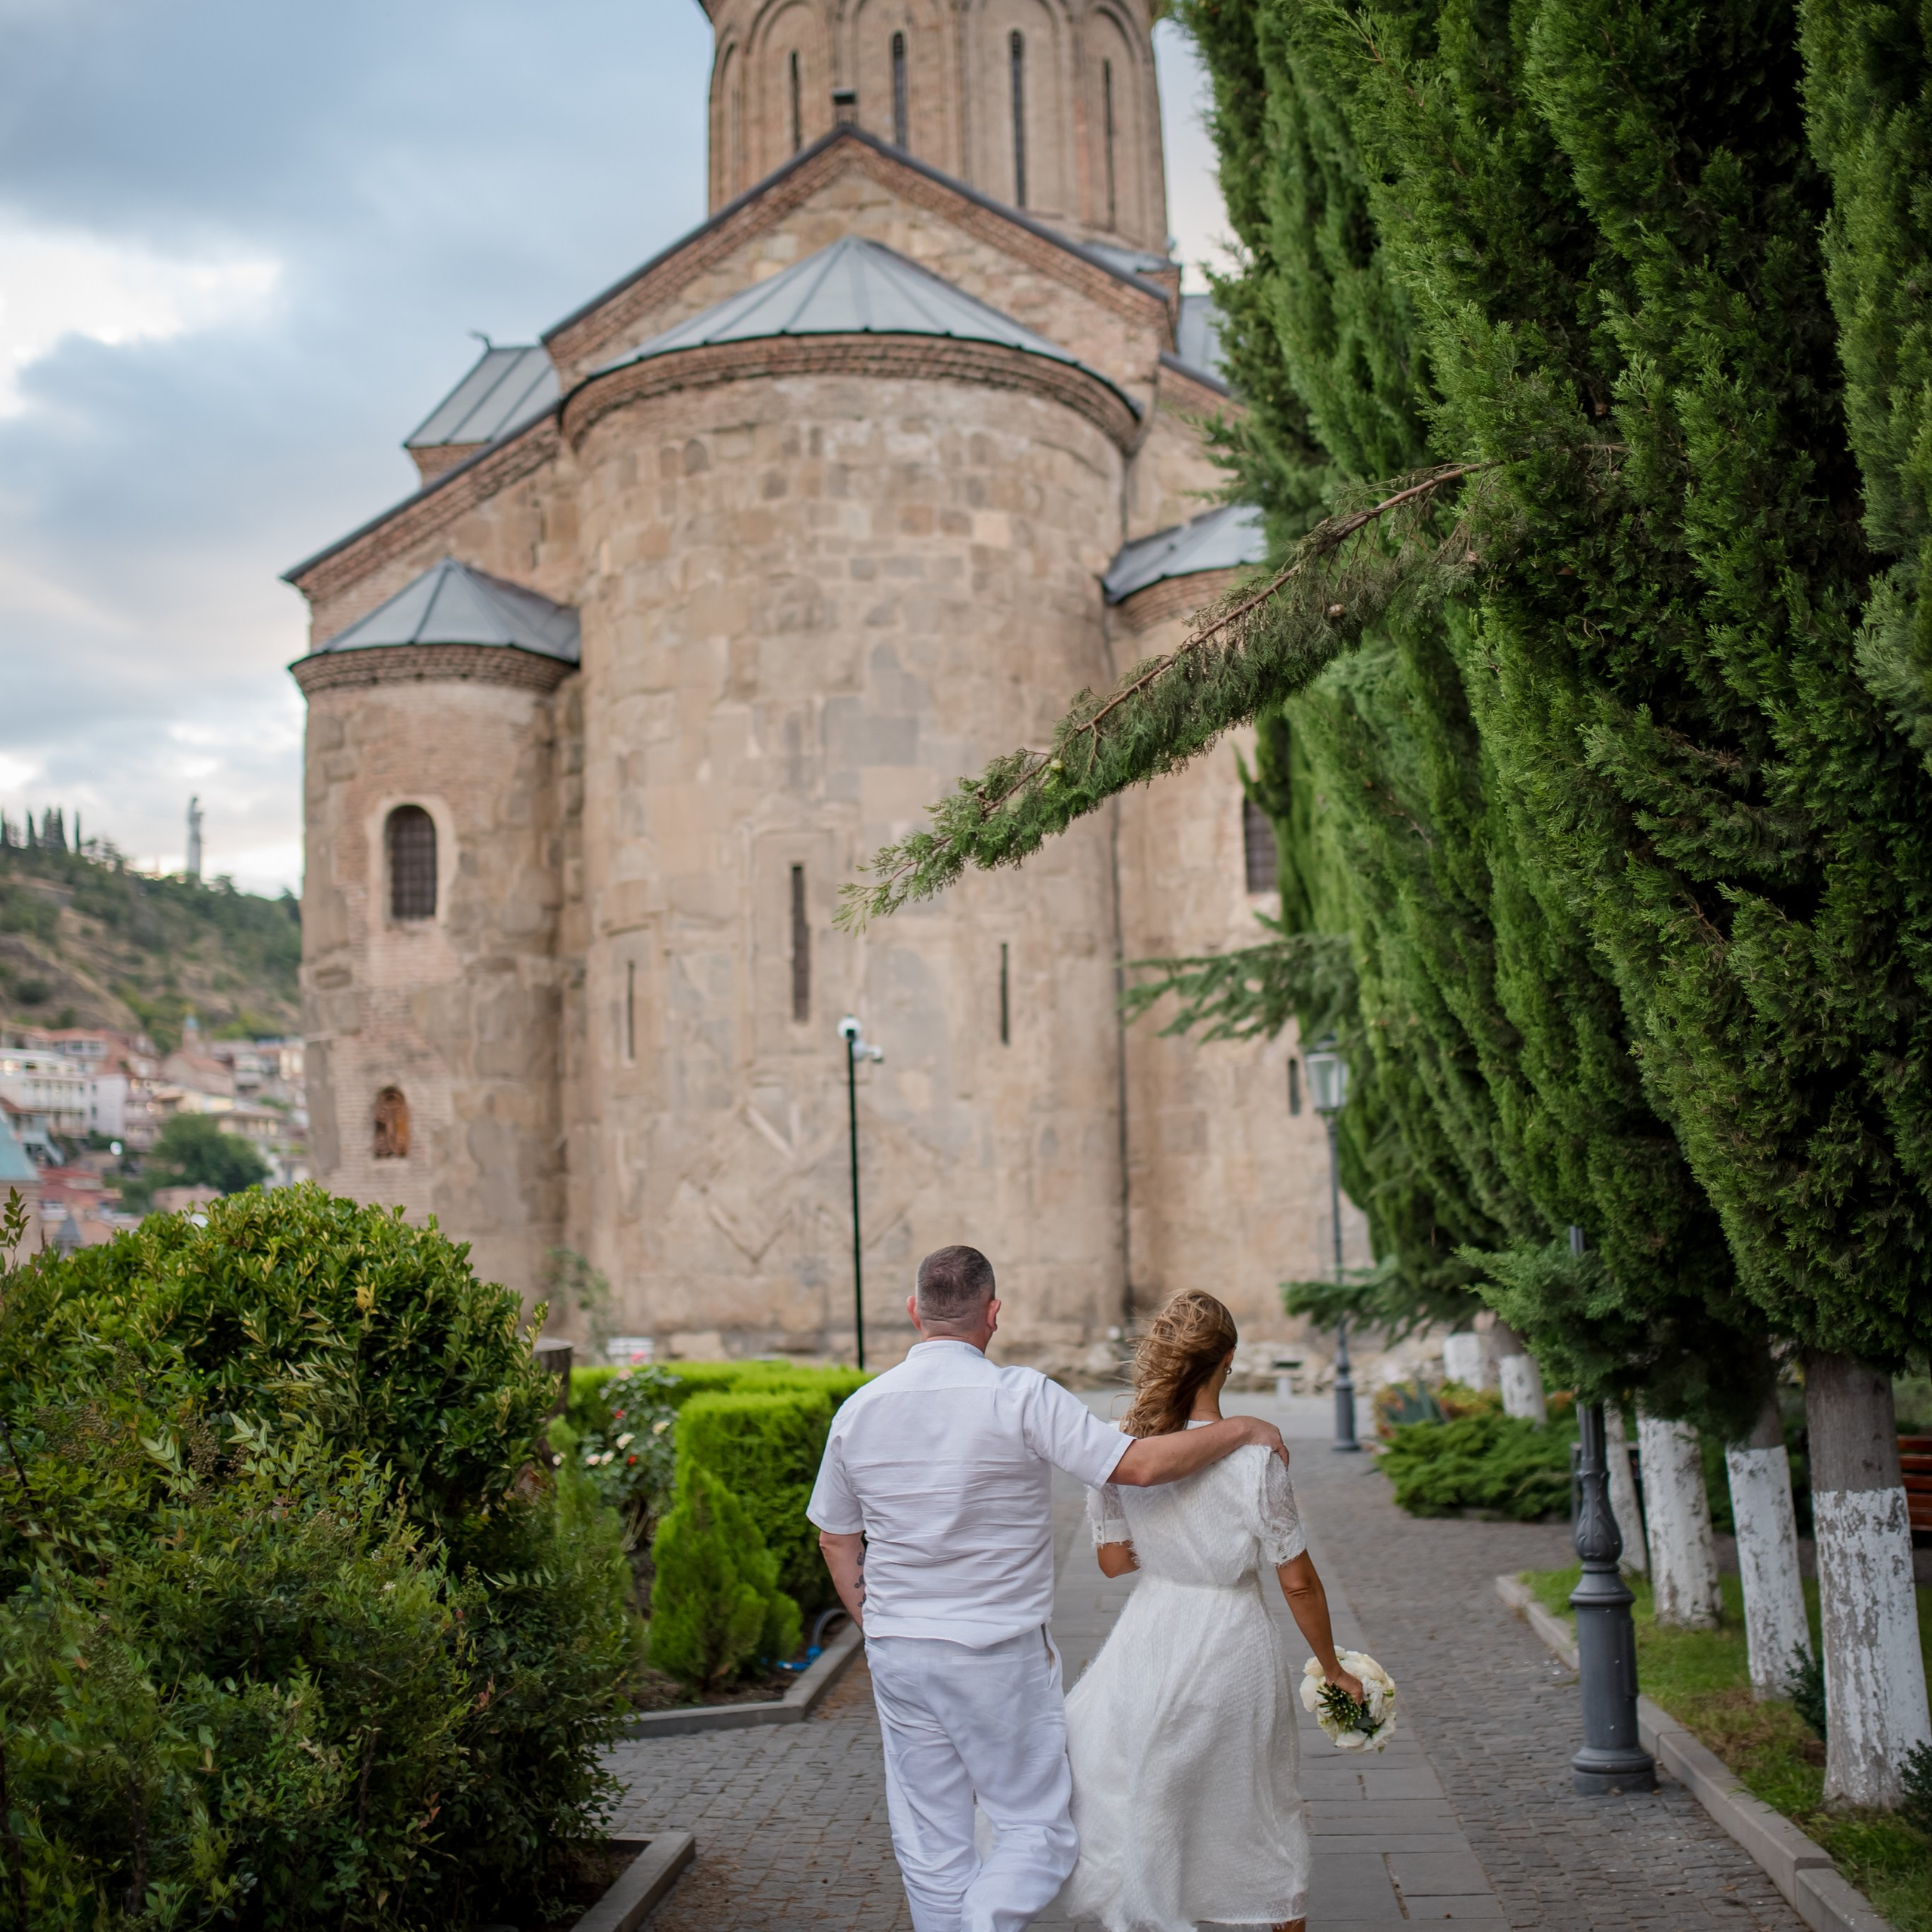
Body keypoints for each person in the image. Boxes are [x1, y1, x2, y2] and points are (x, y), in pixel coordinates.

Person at [808, 1246, 1292, 1932]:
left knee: (930, 1840)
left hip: (899, 1650)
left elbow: (835, 1536)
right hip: (996, 1650)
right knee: (1037, 1831)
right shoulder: (1020, 1396)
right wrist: (1243, 1427)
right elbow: (1139, 1468)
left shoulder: (859, 1410)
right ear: (993, 1314)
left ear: (915, 1312)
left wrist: (877, 1622)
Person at [1060, 1289, 1361, 1932]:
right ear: (1228, 1359)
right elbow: (1299, 1581)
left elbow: (1113, 1563)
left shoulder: (1121, 1448)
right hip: (1233, 1639)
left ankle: (1161, 1902)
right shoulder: (1257, 1456)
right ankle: (1273, 1910)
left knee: (1153, 1790)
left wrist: (1172, 1547)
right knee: (1256, 1798)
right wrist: (1332, 1668)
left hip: (1150, 1634)